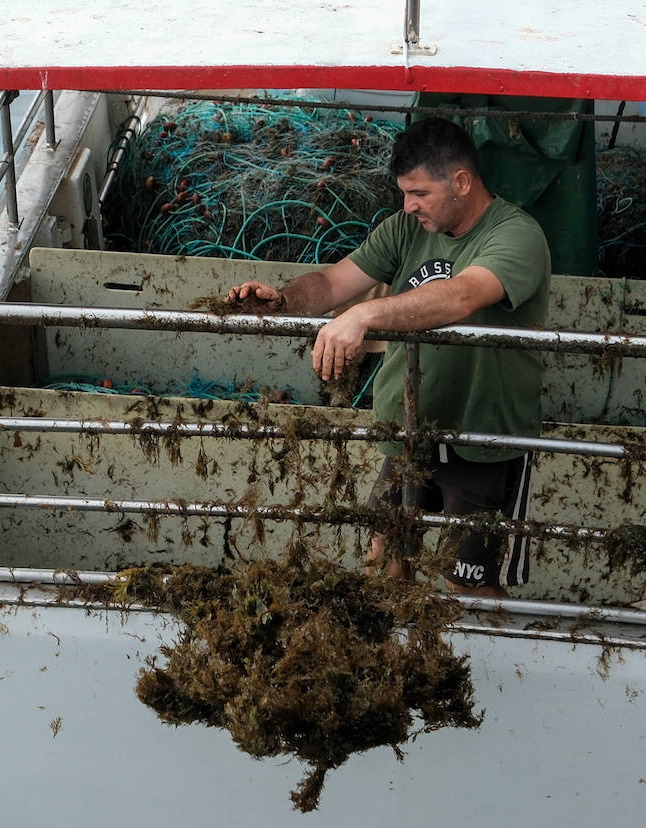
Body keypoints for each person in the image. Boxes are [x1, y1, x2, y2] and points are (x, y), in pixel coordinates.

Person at [227, 116, 549, 597]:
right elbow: (336, 282)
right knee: (383, 562)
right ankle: (399, 666)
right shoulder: (404, 229)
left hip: (483, 436)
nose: (409, 205)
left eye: (419, 193)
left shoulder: (517, 235)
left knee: (467, 585)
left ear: (461, 181)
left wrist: (363, 316)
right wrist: (282, 301)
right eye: (404, 193)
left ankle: (484, 667)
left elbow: (461, 296)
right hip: (407, 429)